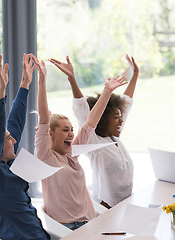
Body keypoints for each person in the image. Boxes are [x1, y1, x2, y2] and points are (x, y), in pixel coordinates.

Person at [33, 55, 127, 230]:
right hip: (67, 228)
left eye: (71, 129)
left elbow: (90, 123)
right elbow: (44, 118)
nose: (70, 134)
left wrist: (107, 91)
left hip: (90, 223)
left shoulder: (72, 154)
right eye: (64, 130)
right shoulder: (45, 157)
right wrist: (42, 80)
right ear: (50, 134)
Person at [49, 55, 138, 209]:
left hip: (126, 204)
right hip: (106, 207)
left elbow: (126, 103)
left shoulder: (114, 138)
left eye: (121, 116)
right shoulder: (94, 142)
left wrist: (135, 74)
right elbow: (83, 112)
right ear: (102, 119)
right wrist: (72, 78)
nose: (121, 121)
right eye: (116, 117)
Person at [0, 54, 50, 240]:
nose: (15, 141)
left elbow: (15, 123)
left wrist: (25, 84)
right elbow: (0, 128)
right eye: (9, 139)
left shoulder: (6, 162)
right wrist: (0, 96)